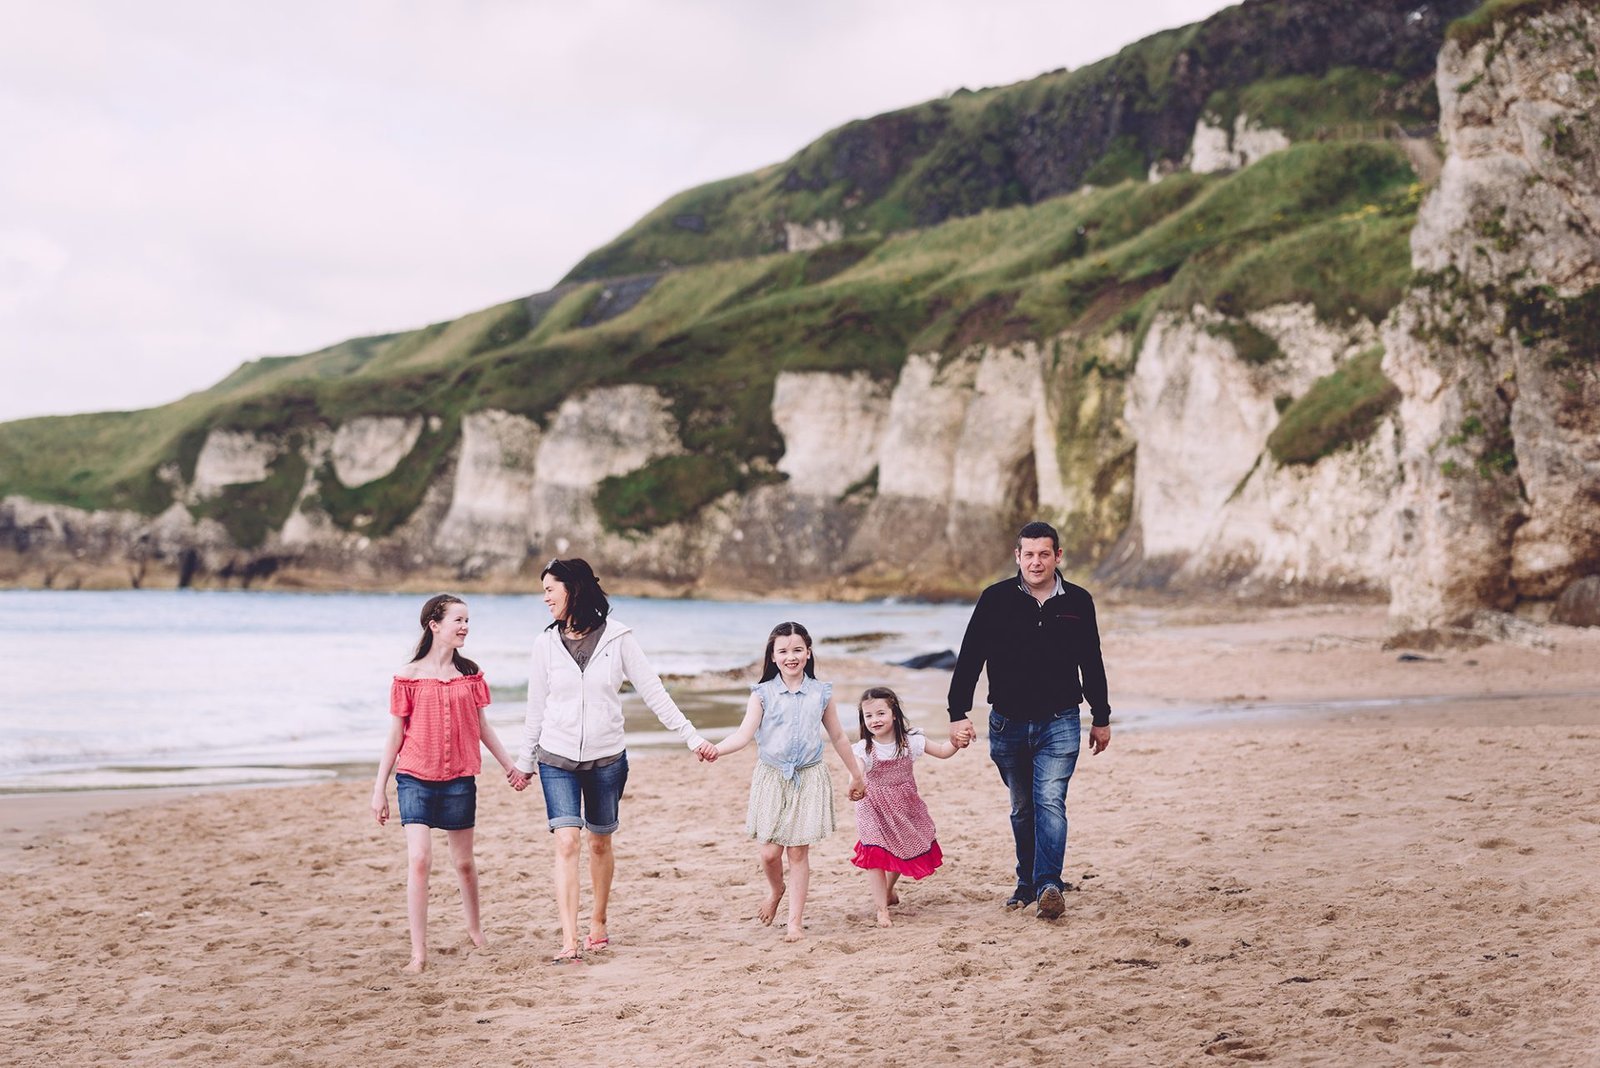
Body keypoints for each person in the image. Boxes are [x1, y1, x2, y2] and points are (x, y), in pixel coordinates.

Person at [514, 558, 719, 965]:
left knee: (599, 841)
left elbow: (653, 692)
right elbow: (535, 706)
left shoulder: (619, 638)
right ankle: (570, 940)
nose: (545, 598)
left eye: (550, 589)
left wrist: (691, 736)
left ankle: (599, 921)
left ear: (572, 589)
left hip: (607, 758)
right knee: (566, 840)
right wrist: (524, 761)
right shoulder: (545, 644)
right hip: (556, 758)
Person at [947, 520, 1112, 921]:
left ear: (1058, 556)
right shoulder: (995, 599)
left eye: (1044, 554)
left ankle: (1049, 884)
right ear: (1017, 557)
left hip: (1061, 720)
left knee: (1050, 801)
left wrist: (1101, 716)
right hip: (1007, 723)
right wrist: (957, 712)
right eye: (1029, 554)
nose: (1036, 562)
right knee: (1023, 807)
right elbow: (970, 658)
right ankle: (1027, 881)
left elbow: (1091, 660)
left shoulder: (1078, 601)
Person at [371, 594, 528, 973]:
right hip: (414, 779)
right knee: (420, 859)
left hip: (459, 778)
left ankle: (475, 932)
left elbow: (482, 728)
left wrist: (512, 767)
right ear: (434, 625)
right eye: (458, 620)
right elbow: (395, 736)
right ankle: (419, 953)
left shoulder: (469, 674)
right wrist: (379, 789)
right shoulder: (407, 677)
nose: (465, 627)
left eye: (468, 620)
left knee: (463, 863)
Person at [713, 621, 865, 942]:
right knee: (769, 853)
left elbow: (837, 736)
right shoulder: (762, 694)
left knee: (797, 853)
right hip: (771, 777)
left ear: (808, 653)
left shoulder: (821, 692)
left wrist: (856, 773)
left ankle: (795, 921)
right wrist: (716, 749)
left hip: (808, 777)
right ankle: (776, 888)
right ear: (772, 656)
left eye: (797, 650)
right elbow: (743, 734)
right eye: (783, 651)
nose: (790, 656)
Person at [850, 686, 959, 928]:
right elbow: (857, 770)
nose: (874, 720)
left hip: (904, 805)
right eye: (868, 716)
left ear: (894, 714)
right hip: (872, 805)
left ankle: (888, 890)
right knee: (875, 854)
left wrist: (956, 742)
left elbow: (942, 751)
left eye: (880, 713)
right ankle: (881, 911)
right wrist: (854, 783)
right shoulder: (864, 749)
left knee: (902, 848)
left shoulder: (911, 741)